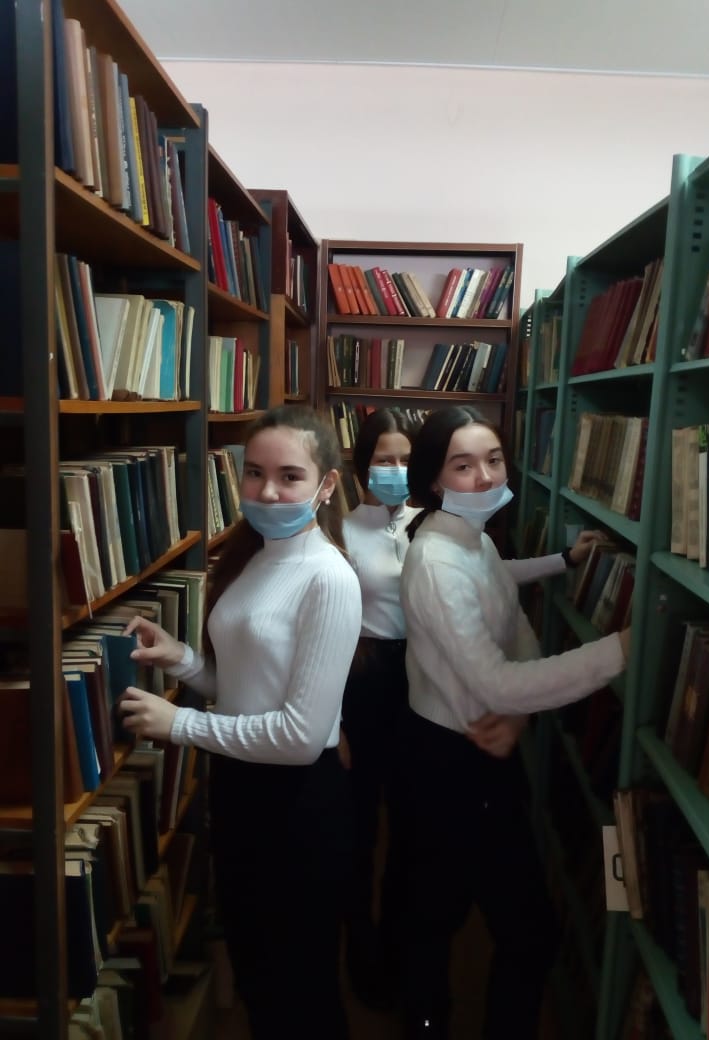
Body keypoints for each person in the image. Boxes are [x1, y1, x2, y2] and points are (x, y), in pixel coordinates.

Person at [117, 405, 362, 1040]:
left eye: (289, 476)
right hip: (243, 788)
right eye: (254, 473)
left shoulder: (330, 577)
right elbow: (246, 688)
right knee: (259, 975)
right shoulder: (253, 554)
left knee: (300, 990)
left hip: (297, 804)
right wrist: (183, 659)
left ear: (327, 485)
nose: (268, 492)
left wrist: (182, 725)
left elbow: (299, 737)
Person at [395, 405, 631, 1040]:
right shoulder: (437, 561)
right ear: (435, 479)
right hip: (447, 761)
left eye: (494, 460)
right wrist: (618, 651)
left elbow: (517, 634)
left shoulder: (475, 542)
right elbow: (498, 680)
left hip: (479, 749)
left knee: (458, 919)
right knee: (482, 927)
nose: (485, 476)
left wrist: (518, 717)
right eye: (463, 465)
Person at [339, 408, 420, 1005]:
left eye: (406, 460)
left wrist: (562, 561)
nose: (396, 470)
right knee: (360, 825)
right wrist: (334, 722)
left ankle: (399, 948)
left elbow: (493, 575)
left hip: (419, 678)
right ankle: (360, 949)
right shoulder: (339, 532)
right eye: (384, 459)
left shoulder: (429, 524)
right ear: (361, 466)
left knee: (412, 825)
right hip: (362, 679)